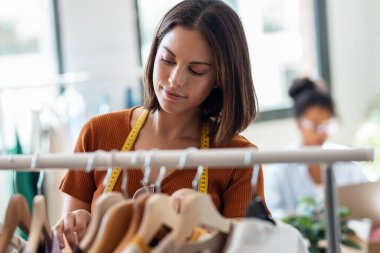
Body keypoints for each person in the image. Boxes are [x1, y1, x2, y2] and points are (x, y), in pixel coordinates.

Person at [53, 0, 266, 250]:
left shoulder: (237, 158)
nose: (175, 80)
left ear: (220, 77)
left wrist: (209, 222)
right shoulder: (98, 133)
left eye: (196, 71)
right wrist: (81, 224)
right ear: (154, 53)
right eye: (167, 60)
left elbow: (248, 247)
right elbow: (69, 244)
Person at [264, 77, 368, 217]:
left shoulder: (346, 160)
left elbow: (368, 204)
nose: (323, 133)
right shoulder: (280, 168)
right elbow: (272, 215)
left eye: (327, 125)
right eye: (316, 125)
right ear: (299, 123)